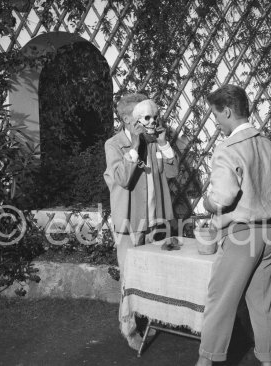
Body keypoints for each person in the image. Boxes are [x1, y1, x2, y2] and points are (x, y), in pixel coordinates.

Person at [195, 84, 271, 366]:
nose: (216, 122)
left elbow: (223, 197)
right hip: (270, 233)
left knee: (220, 301)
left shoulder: (229, 149)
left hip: (241, 236)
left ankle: (205, 362)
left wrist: (208, 204)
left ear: (226, 110)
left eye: (216, 115)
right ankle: (268, 361)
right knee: (263, 303)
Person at [103, 93, 178, 350]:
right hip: (129, 222)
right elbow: (123, 179)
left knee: (151, 274)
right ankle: (129, 327)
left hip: (156, 219)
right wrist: (135, 145)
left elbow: (172, 172)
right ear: (127, 118)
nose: (151, 121)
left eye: (153, 116)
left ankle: (149, 319)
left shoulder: (154, 142)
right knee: (130, 276)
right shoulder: (114, 145)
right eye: (143, 116)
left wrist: (165, 143)